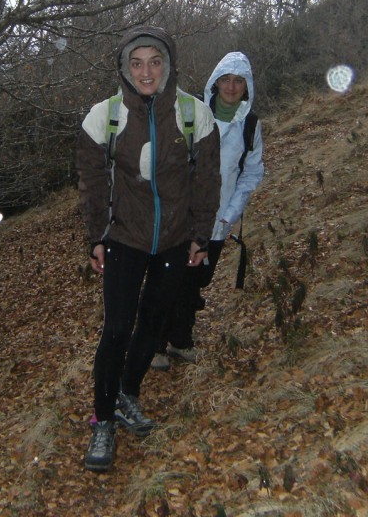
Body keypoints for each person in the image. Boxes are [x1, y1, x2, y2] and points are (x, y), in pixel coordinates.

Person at [76, 26, 221, 473]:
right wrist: (97, 237)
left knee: (153, 324)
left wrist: (200, 234)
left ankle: (127, 396)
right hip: (124, 237)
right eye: (136, 63)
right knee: (117, 329)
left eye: (154, 62)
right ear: (124, 69)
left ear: (168, 65)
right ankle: (103, 420)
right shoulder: (104, 117)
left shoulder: (194, 114)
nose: (146, 71)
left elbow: (207, 180)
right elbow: (92, 185)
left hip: (176, 240)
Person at [153, 51, 265, 369]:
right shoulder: (194, 115)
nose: (231, 87)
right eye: (226, 80)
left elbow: (252, 173)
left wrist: (231, 212)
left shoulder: (250, 126)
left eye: (238, 81)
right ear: (215, 83)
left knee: (196, 280)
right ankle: (155, 343)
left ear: (247, 86)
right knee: (168, 278)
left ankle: (181, 339)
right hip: (180, 217)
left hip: (218, 221)